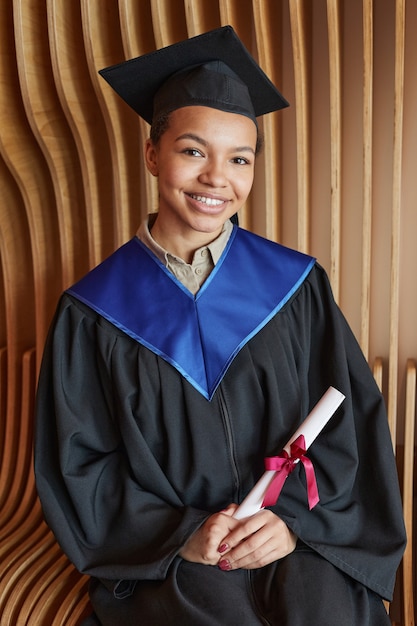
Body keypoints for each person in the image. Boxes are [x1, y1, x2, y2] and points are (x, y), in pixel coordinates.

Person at [34, 26, 406, 625]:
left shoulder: (294, 285)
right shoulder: (92, 311)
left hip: (292, 536)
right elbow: (81, 464)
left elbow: (349, 425)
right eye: (192, 150)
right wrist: (181, 536)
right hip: (171, 556)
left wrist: (292, 525)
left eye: (239, 158)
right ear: (153, 154)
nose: (216, 178)